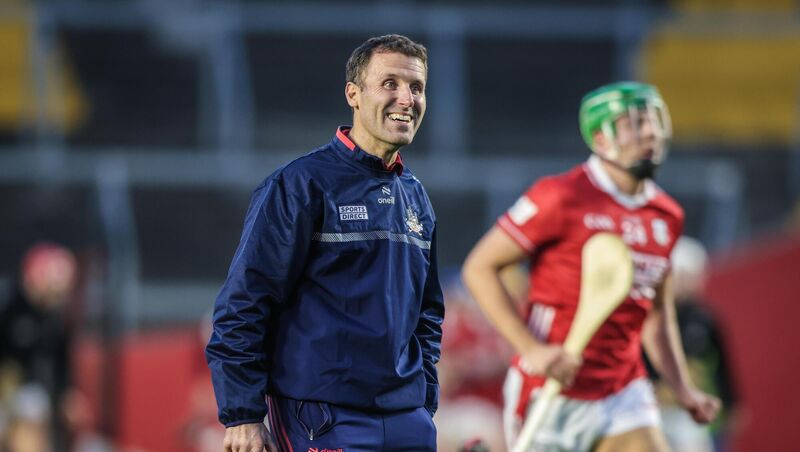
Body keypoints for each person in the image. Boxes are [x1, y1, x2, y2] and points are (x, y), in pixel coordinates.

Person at [205, 34, 444, 452]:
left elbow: (427, 314)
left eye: (416, 87)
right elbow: (244, 301)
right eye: (390, 84)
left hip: (408, 421)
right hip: (323, 417)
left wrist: (423, 400)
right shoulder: (300, 184)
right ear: (353, 94)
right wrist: (242, 413)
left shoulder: (416, 196)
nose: (407, 98)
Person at [461, 81, 721, 451]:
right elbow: (479, 267)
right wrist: (530, 348)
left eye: (653, 121)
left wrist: (682, 388)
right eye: (634, 124)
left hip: (623, 389)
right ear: (600, 138)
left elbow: (656, 314)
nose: (650, 133)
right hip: (551, 389)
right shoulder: (560, 197)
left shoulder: (666, 215)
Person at [648, 236, 738, 452]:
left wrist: (733, 402)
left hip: (697, 411)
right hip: (658, 410)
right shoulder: (651, 320)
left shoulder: (705, 319)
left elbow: (723, 365)